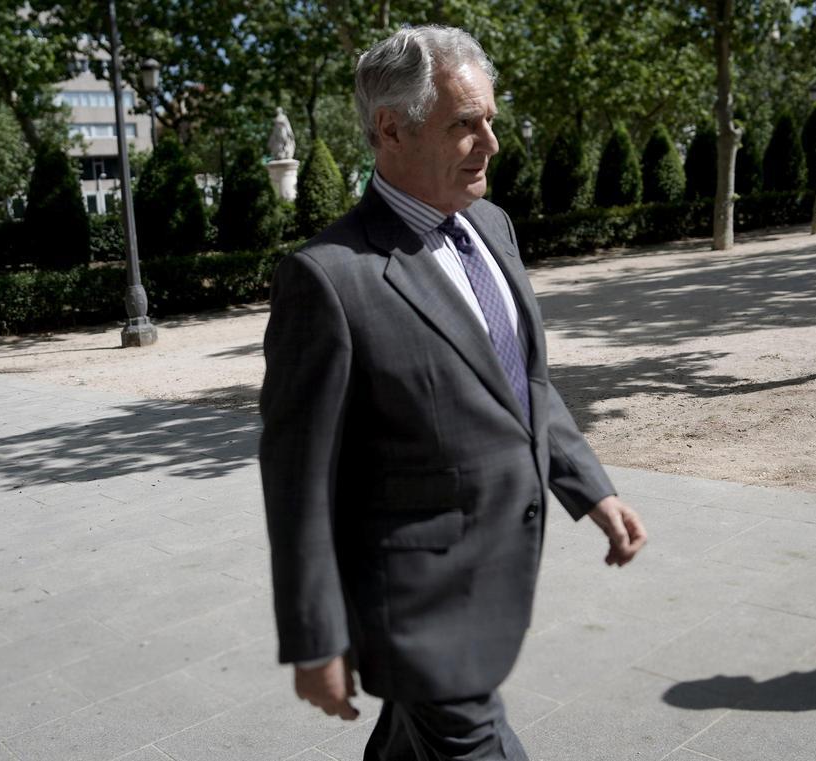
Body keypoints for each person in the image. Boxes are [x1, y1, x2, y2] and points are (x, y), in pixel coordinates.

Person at [259, 25, 647, 760]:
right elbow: (297, 479)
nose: (491, 143)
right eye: (465, 125)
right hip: (416, 605)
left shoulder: (494, 227)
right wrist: (315, 638)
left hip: (497, 572)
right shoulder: (327, 278)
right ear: (390, 128)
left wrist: (590, 488)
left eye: (491, 120)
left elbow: (522, 380)